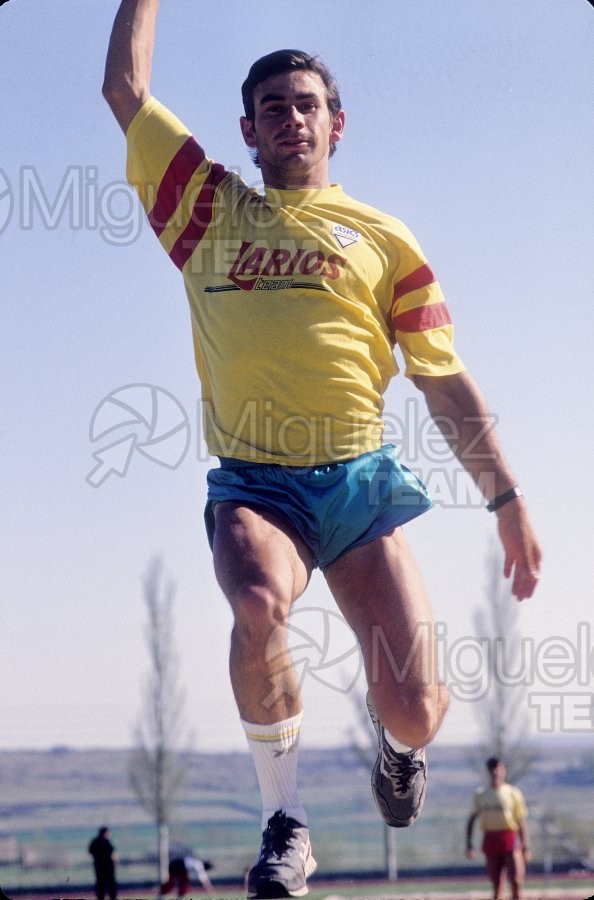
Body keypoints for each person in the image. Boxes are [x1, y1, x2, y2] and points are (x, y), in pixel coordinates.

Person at [102, 4, 541, 897]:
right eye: (272, 106)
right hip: (256, 484)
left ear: (335, 123)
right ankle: (286, 821)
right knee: (258, 603)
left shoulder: (385, 239)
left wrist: (508, 499)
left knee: (416, 708)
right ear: (248, 130)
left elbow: (445, 381)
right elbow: (125, 88)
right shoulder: (207, 209)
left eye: (306, 104)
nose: (290, 118)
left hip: (359, 485)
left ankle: (395, 750)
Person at [466, 757, 531, 900]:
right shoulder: (481, 795)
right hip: (491, 839)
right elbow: (472, 820)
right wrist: (469, 844)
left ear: (503, 770)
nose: (496, 772)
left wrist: (525, 846)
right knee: (496, 884)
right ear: (489, 772)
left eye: (499, 768)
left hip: (509, 838)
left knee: (516, 880)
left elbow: (520, 822)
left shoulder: (513, 793)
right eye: (492, 769)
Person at [88, 826, 117, 900]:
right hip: (107, 867)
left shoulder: (95, 841)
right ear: (105, 833)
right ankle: (112, 897)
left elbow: (90, 851)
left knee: (100, 883)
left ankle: (101, 897)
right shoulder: (106, 842)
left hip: (99, 866)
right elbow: (112, 854)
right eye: (107, 833)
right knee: (110, 884)